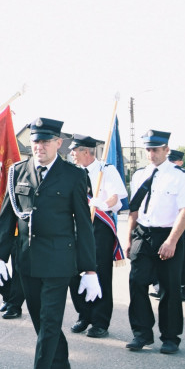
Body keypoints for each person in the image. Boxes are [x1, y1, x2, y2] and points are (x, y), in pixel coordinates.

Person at [0, 118, 98, 369]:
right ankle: (60, 364)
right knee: (40, 320)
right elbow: (7, 217)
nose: (39, 146)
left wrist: (89, 269)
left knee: (50, 322)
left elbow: (84, 225)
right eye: (35, 141)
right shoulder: (17, 172)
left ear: (58, 143)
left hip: (59, 261)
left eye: (45, 141)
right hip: (26, 259)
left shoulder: (74, 176)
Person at [123, 129, 185, 355]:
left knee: (169, 288)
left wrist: (172, 241)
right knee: (137, 283)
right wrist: (128, 237)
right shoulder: (139, 175)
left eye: (155, 149)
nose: (151, 154)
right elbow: (134, 209)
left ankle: (170, 337)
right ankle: (141, 333)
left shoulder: (180, 175)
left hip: (168, 235)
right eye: (148, 149)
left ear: (166, 150)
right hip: (143, 235)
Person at [67, 135, 127, 338]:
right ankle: (84, 315)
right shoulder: (72, 172)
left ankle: (100, 321)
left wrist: (103, 204)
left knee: (99, 273)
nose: (71, 154)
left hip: (99, 227)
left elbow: (115, 196)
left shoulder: (106, 170)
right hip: (76, 225)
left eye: (74, 150)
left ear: (86, 151)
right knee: (74, 273)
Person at [168, 150, 185, 300]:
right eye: (169, 160)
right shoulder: (163, 175)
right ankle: (165, 287)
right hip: (166, 223)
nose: (172, 163)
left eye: (174, 160)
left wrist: (181, 219)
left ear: (181, 162)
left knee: (184, 258)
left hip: (182, 223)